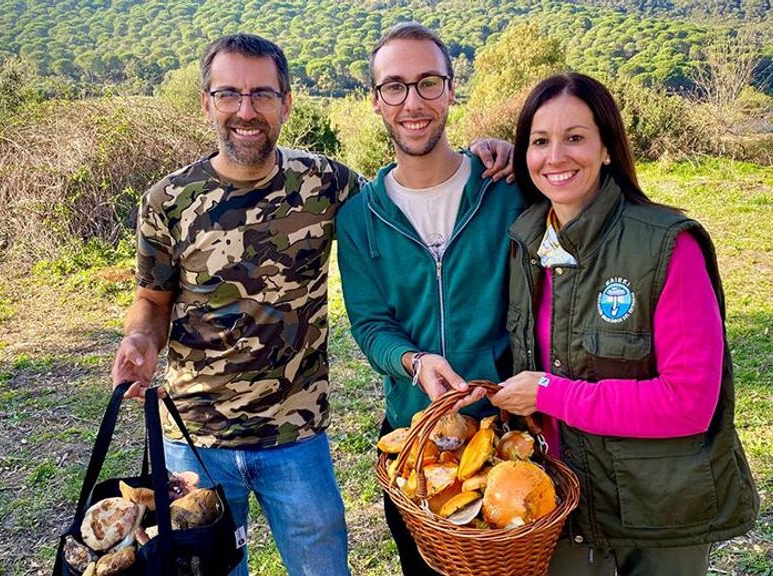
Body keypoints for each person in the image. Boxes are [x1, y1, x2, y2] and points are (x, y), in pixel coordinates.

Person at [109, 33, 513, 575]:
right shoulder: (167, 200)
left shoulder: (325, 184)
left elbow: (411, 187)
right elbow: (151, 299)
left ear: (286, 101)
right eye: (229, 94)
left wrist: (494, 151)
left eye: (262, 95)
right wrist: (140, 338)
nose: (245, 111)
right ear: (206, 101)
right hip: (192, 435)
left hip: (296, 435)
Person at [489, 73, 759, 575]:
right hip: (560, 507)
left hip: (656, 513)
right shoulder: (524, 241)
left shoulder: (665, 246)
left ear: (608, 148)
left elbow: (688, 404)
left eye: (575, 138)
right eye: (539, 141)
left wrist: (550, 393)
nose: (555, 158)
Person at [336, 23, 525, 576]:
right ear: (375, 101)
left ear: (450, 89)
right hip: (416, 443)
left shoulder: (507, 192)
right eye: (394, 86)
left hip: (512, 431)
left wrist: (520, 152)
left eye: (427, 83)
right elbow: (370, 324)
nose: (412, 102)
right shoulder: (360, 218)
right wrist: (414, 361)